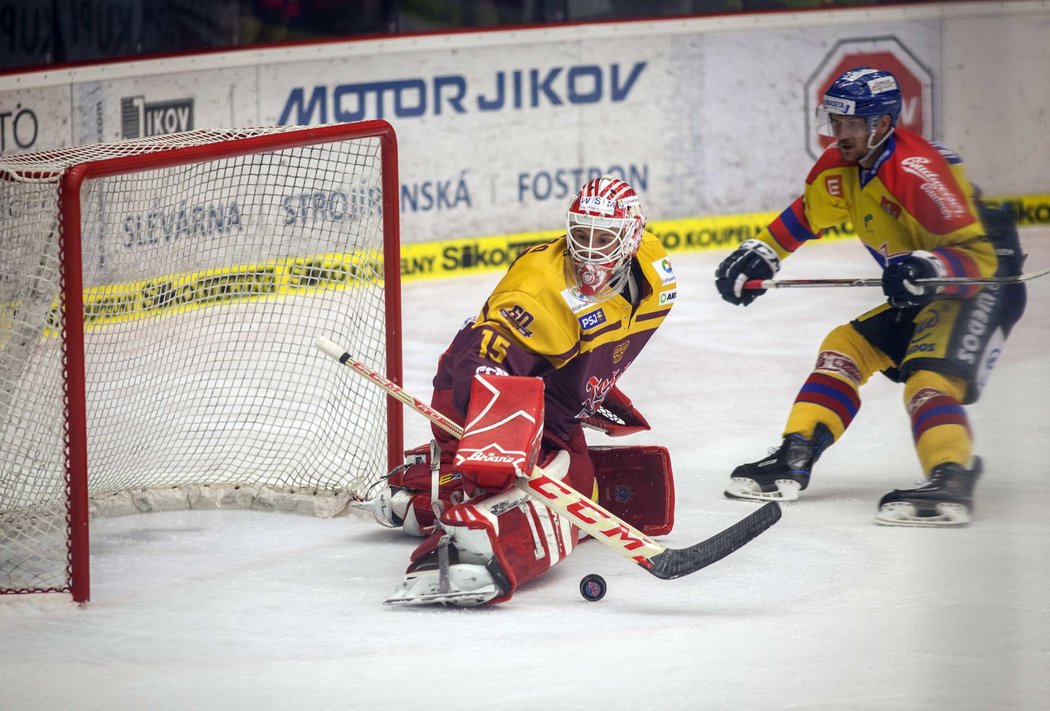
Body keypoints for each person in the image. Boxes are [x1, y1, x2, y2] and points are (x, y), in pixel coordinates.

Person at [714, 66, 1026, 527]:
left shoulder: (914, 170)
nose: (840, 134)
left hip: (980, 287)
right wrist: (763, 252)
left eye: (852, 124)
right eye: (836, 123)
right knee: (846, 347)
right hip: (926, 290)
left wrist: (927, 266)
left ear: (881, 123)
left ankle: (951, 479)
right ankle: (795, 455)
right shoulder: (844, 167)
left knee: (929, 379)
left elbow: (979, 258)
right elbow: (807, 214)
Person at [365, 175, 678, 605]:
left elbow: (603, 344)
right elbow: (481, 364)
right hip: (479, 401)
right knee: (563, 493)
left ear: (632, 238)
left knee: (585, 488)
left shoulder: (657, 273)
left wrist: (592, 388)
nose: (588, 249)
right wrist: (497, 446)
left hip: (548, 404)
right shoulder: (540, 291)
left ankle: (428, 490)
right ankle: (458, 557)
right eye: (580, 234)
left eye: (603, 237)